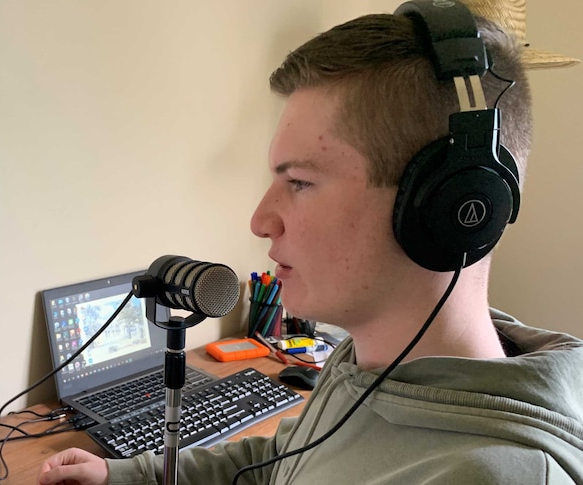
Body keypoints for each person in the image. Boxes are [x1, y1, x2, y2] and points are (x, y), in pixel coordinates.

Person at [38, 1, 583, 484]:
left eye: (299, 181)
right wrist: (122, 475)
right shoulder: (367, 363)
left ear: (447, 208)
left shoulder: (486, 475)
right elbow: (278, 462)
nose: (259, 220)